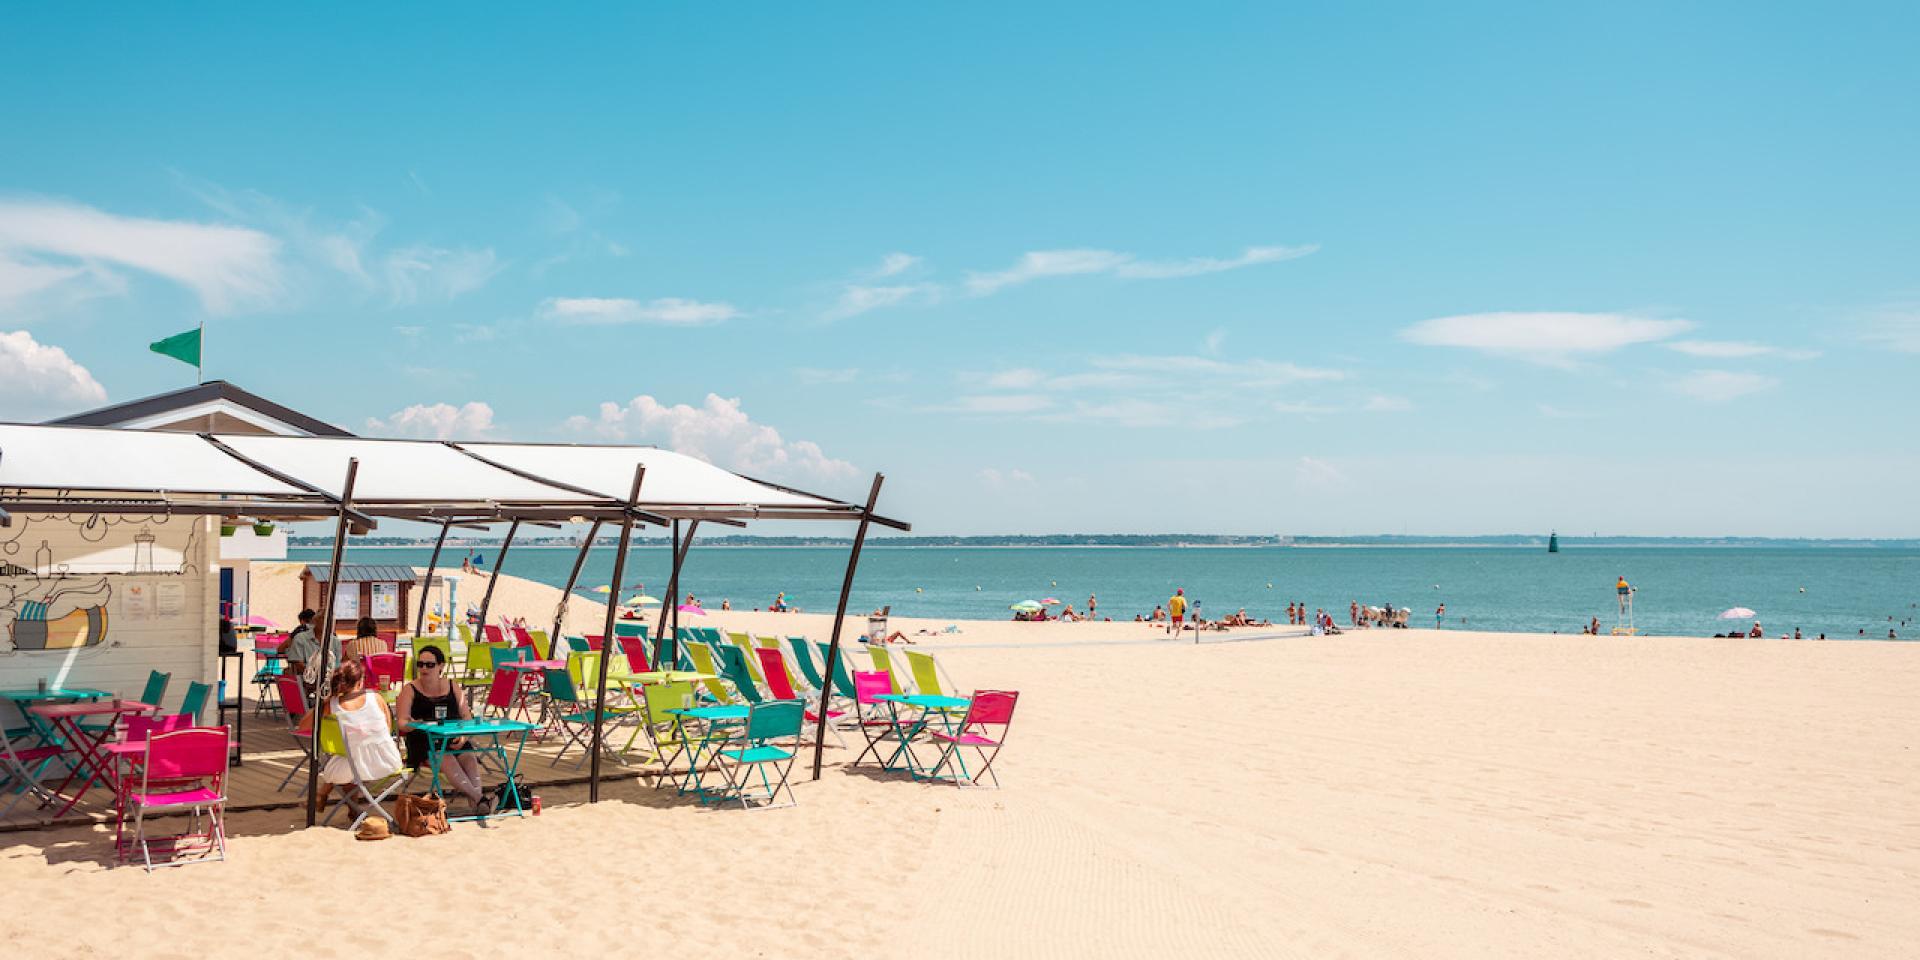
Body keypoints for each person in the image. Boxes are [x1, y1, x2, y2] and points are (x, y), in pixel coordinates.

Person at [394, 644, 490, 813]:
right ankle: (479, 798)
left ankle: (478, 800)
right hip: (424, 742)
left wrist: (463, 738)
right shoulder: (410, 689)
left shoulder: (453, 686)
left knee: (469, 758)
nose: (424, 668)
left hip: (453, 737)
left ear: (441, 666)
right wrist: (413, 724)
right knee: (447, 759)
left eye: (429, 664)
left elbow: (467, 717)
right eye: (420, 664)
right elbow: (401, 723)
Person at [314, 658, 404, 817]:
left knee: (348, 760)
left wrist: (324, 702)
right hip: (387, 761)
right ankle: (351, 809)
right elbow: (388, 729)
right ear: (361, 681)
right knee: (352, 757)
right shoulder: (376, 698)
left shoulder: (332, 705)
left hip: (352, 767)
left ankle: (328, 797)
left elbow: (305, 724)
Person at [284, 609, 341, 691]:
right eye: (324, 619)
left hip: (330, 680)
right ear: (316, 621)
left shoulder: (336, 641)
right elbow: (297, 663)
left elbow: (337, 665)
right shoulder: (300, 638)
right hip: (308, 679)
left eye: (332, 621)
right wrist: (314, 675)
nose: (328, 623)